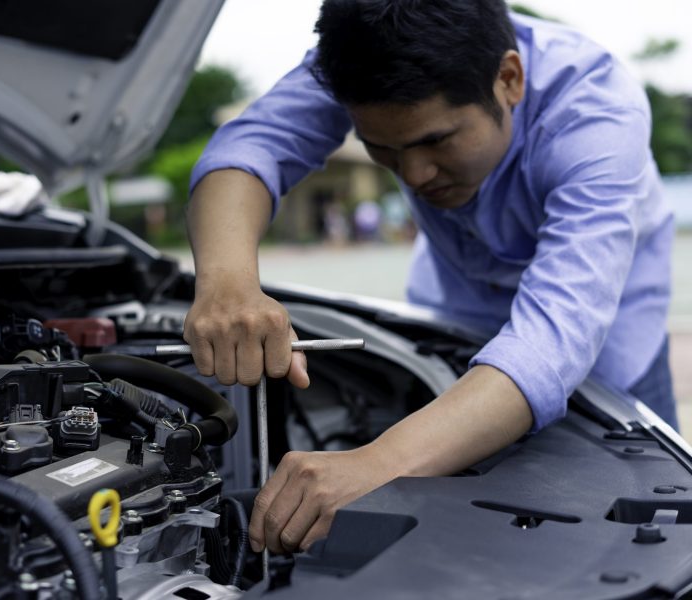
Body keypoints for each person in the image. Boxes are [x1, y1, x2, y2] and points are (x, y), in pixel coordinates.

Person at [184, 0, 675, 557]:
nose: (414, 176)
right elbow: (248, 149)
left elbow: (550, 344)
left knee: (633, 539)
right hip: (460, 317)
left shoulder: (596, 113)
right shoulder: (358, 62)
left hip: (608, 342)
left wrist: (379, 463)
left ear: (509, 79)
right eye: (384, 149)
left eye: (435, 140)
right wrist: (226, 283)